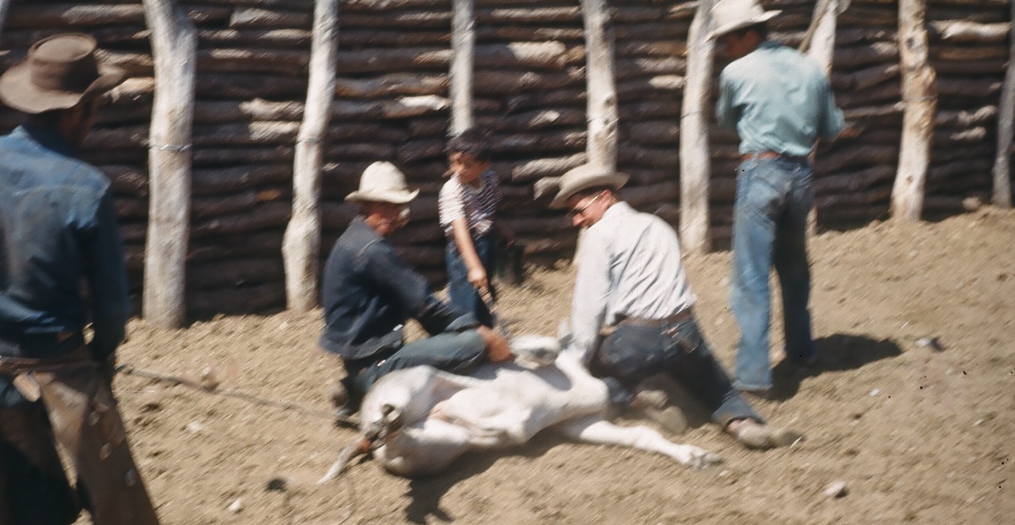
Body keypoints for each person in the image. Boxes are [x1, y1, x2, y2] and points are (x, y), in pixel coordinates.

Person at [0, 33, 193, 525]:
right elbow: (109, 301)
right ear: (83, 109)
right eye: (95, 107)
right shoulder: (86, 188)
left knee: (26, 475)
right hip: (58, 363)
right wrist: (104, 354)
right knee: (110, 489)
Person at [553, 162, 803, 450]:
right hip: (685, 331)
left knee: (593, 354)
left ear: (605, 198)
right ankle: (743, 425)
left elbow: (590, 307)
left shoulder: (599, 235)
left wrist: (576, 363)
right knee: (717, 387)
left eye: (578, 211)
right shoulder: (657, 226)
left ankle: (633, 399)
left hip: (638, 339)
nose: (576, 221)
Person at [712, 0, 848, 397]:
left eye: (727, 40)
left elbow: (726, 122)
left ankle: (753, 376)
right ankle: (802, 350)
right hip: (800, 175)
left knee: (750, 276)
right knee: (793, 266)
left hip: (761, 172)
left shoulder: (737, 72)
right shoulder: (809, 67)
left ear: (746, 35)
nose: (724, 48)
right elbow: (832, 128)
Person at [320, 161, 514, 415]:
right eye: (384, 207)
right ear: (366, 205)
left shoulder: (355, 239)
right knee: (473, 344)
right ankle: (368, 385)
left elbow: (419, 304)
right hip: (377, 361)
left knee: (457, 339)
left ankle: (356, 386)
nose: (393, 215)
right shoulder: (372, 251)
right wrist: (480, 334)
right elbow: (422, 303)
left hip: (363, 357)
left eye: (396, 207)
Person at [438, 127, 513, 327]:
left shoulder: (490, 180)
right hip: (462, 251)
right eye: (454, 162)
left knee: (485, 293)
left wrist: (500, 228)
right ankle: (464, 337)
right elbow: (459, 230)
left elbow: (489, 210)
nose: (459, 169)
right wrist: (473, 266)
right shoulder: (452, 190)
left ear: (484, 166)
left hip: (485, 242)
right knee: (465, 297)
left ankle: (485, 335)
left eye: (467, 165)